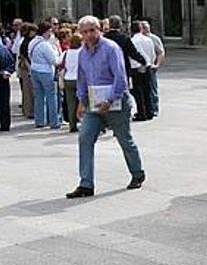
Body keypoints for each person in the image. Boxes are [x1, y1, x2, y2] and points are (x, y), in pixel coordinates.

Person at [66, 16, 145, 198]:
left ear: (100, 29)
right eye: (85, 32)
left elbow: (120, 77)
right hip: (94, 103)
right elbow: (82, 79)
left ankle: (137, 173)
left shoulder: (111, 48)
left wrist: (110, 100)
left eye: (92, 30)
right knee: (85, 137)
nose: (89, 35)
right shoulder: (82, 53)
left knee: (124, 138)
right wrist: (81, 102)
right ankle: (86, 184)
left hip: (116, 102)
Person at [28, 21, 63, 129]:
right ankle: (54, 121)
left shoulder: (32, 42)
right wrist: (61, 56)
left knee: (38, 97)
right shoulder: (45, 45)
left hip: (34, 69)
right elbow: (54, 61)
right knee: (51, 97)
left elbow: (30, 55)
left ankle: (39, 121)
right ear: (45, 32)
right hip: (46, 71)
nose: (50, 34)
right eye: (50, 31)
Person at [129, 21, 155, 121]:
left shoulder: (132, 41)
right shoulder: (148, 40)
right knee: (147, 90)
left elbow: (131, 55)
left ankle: (141, 112)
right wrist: (150, 63)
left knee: (138, 91)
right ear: (141, 29)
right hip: (147, 66)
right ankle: (150, 111)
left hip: (136, 68)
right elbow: (152, 54)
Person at [139, 21, 164, 116]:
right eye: (143, 27)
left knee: (153, 88)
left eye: (146, 27)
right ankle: (147, 108)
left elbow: (160, 52)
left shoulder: (154, 39)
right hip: (141, 67)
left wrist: (157, 64)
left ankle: (155, 108)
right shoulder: (138, 38)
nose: (145, 29)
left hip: (151, 66)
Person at [63, 33, 82, 133]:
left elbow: (58, 62)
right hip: (79, 79)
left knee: (71, 104)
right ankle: (84, 122)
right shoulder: (82, 52)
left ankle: (72, 125)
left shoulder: (66, 52)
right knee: (84, 102)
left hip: (68, 79)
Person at [18, 23, 37, 119]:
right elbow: (24, 56)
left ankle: (28, 110)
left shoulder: (26, 41)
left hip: (26, 67)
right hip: (27, 67)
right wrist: (30, 68)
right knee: (29, 90)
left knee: (27, 91)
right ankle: (30, 111)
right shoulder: (26, 42)